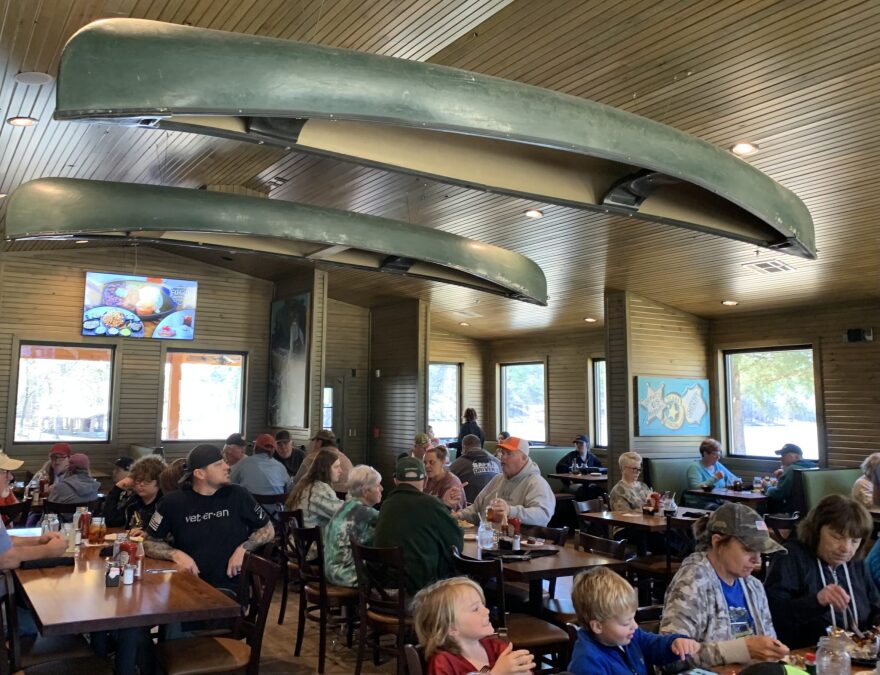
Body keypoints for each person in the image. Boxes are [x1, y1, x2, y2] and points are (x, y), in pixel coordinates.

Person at [660, 502, 788, 666]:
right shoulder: (692, 581)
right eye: (748, 549)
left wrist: (774, 651)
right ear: (717, 542)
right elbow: (670, 658)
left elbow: (769, 642)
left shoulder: (754, 586)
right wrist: (741, 650)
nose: (757, 559)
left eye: (759, 551)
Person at [145, 444, 274, 592]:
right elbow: (149, 542)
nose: (227, 466)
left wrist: (243, 548)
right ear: (200, 473)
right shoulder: (172, 502)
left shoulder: (238, 495)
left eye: (225, 462)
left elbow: (268, 529)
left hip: (230, 587)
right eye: (219, 464)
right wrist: (175, 554)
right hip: (186, 585)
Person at [764, 494, 880, 649]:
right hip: (806, 654)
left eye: (855, 541)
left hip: (858, 655)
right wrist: (816, 601)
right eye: (837, 537)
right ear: (816, 531)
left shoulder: (856, 563)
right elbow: (773, 616)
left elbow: (875, 607)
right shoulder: (790, 557)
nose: (846, 548)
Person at [569, 567, 699, 675]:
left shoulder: (630, 637)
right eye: (626, 623)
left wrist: (673, 643)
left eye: (633, 618)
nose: (635, 626)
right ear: (597, 626)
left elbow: (652, 644)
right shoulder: (587, 663)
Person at [374, 457, 463, 595]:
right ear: (426, 481)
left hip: (383, 592)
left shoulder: (386, 505)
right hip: (419, 595)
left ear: (395, 480)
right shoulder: (431, 504)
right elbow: (456, 544)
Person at [413, 576, 535, 675]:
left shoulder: (496, 646)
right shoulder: (443, 662)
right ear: (451, 628)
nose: (486, 611)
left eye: (482, 604)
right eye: (475, 609)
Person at [453, 437, 555, 527]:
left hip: (517, 544)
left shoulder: (536, 483)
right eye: (502, 452)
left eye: (509, 454)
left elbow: (543, 515)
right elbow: (476, 509)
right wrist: (459, 515)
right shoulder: (497, 479)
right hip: (488, 539)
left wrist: (510, 511)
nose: (502, 457)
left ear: (524, 458)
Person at [323, 465, 382, 587]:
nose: (381, 488)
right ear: (366, 492)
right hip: (345, 575)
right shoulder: (364, 512)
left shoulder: (347, 506)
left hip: (330, 571)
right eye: (377, 485)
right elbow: (389, 522)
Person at [286, 449, 343, 533]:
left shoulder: (306, 485)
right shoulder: (320, 490)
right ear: (325, 469)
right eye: (336, 467)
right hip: (313, 544)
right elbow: (345, 513)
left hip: (298, 541)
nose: (341, 471)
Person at [230, 433, 291, 510]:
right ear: (273, 451)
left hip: (250, 515)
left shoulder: (243, 463)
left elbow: (230, 484)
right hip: (277, 516)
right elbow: (289, 489)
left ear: (255, 448)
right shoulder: (281, 467)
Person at [106, 455, 166, 530]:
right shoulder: (133, 501)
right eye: (138, 480)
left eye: (147, 481)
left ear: (159, 482)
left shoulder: (164, 504)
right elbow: (110, 521)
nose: (141, 484)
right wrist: (117, 488)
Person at [763, 443, 816, 513]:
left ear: (794, 457)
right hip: (810, 512)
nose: (780, 459)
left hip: (792, 513)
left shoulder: (791, 469)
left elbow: (778, 494)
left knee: (761, 507)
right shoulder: (812, 467)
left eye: (783, 456)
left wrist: (767, 486)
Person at [449, 434, 501, 504]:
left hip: (470, 506)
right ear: (480, 446)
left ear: (463, 448)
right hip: (497, 504)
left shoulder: (458, 464)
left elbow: (447, 482)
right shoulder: (497, 462)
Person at [687, 438, 739, 508]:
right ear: (705, 454)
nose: (718, 457)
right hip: (701, 502)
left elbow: (733, 478)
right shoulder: (695, 467)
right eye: (715, 454)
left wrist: (735, 482)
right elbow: (695, 488)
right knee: (721, 511)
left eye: (719, 454)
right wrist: (715, 478)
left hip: (719, 500)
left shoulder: (717, 465)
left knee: (738, 509)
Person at [556, 434, 604, 500]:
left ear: (587, 445)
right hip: (573, 485)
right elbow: (559, 466)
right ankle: (582, 509)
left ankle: (595, 508)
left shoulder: (592, 457)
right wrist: (570, 477)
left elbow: (601, 469)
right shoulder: (571, 456)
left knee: (599, 490)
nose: (578, 445)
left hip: (588, 484)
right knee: (583, 491)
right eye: (576, 443)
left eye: (581, 443)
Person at [424, 445, 466, 510]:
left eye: (431, 462)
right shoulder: (427, 479)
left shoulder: (451, 483)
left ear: (443, 462)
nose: (427, 466)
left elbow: (451, 514)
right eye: (425, 462)